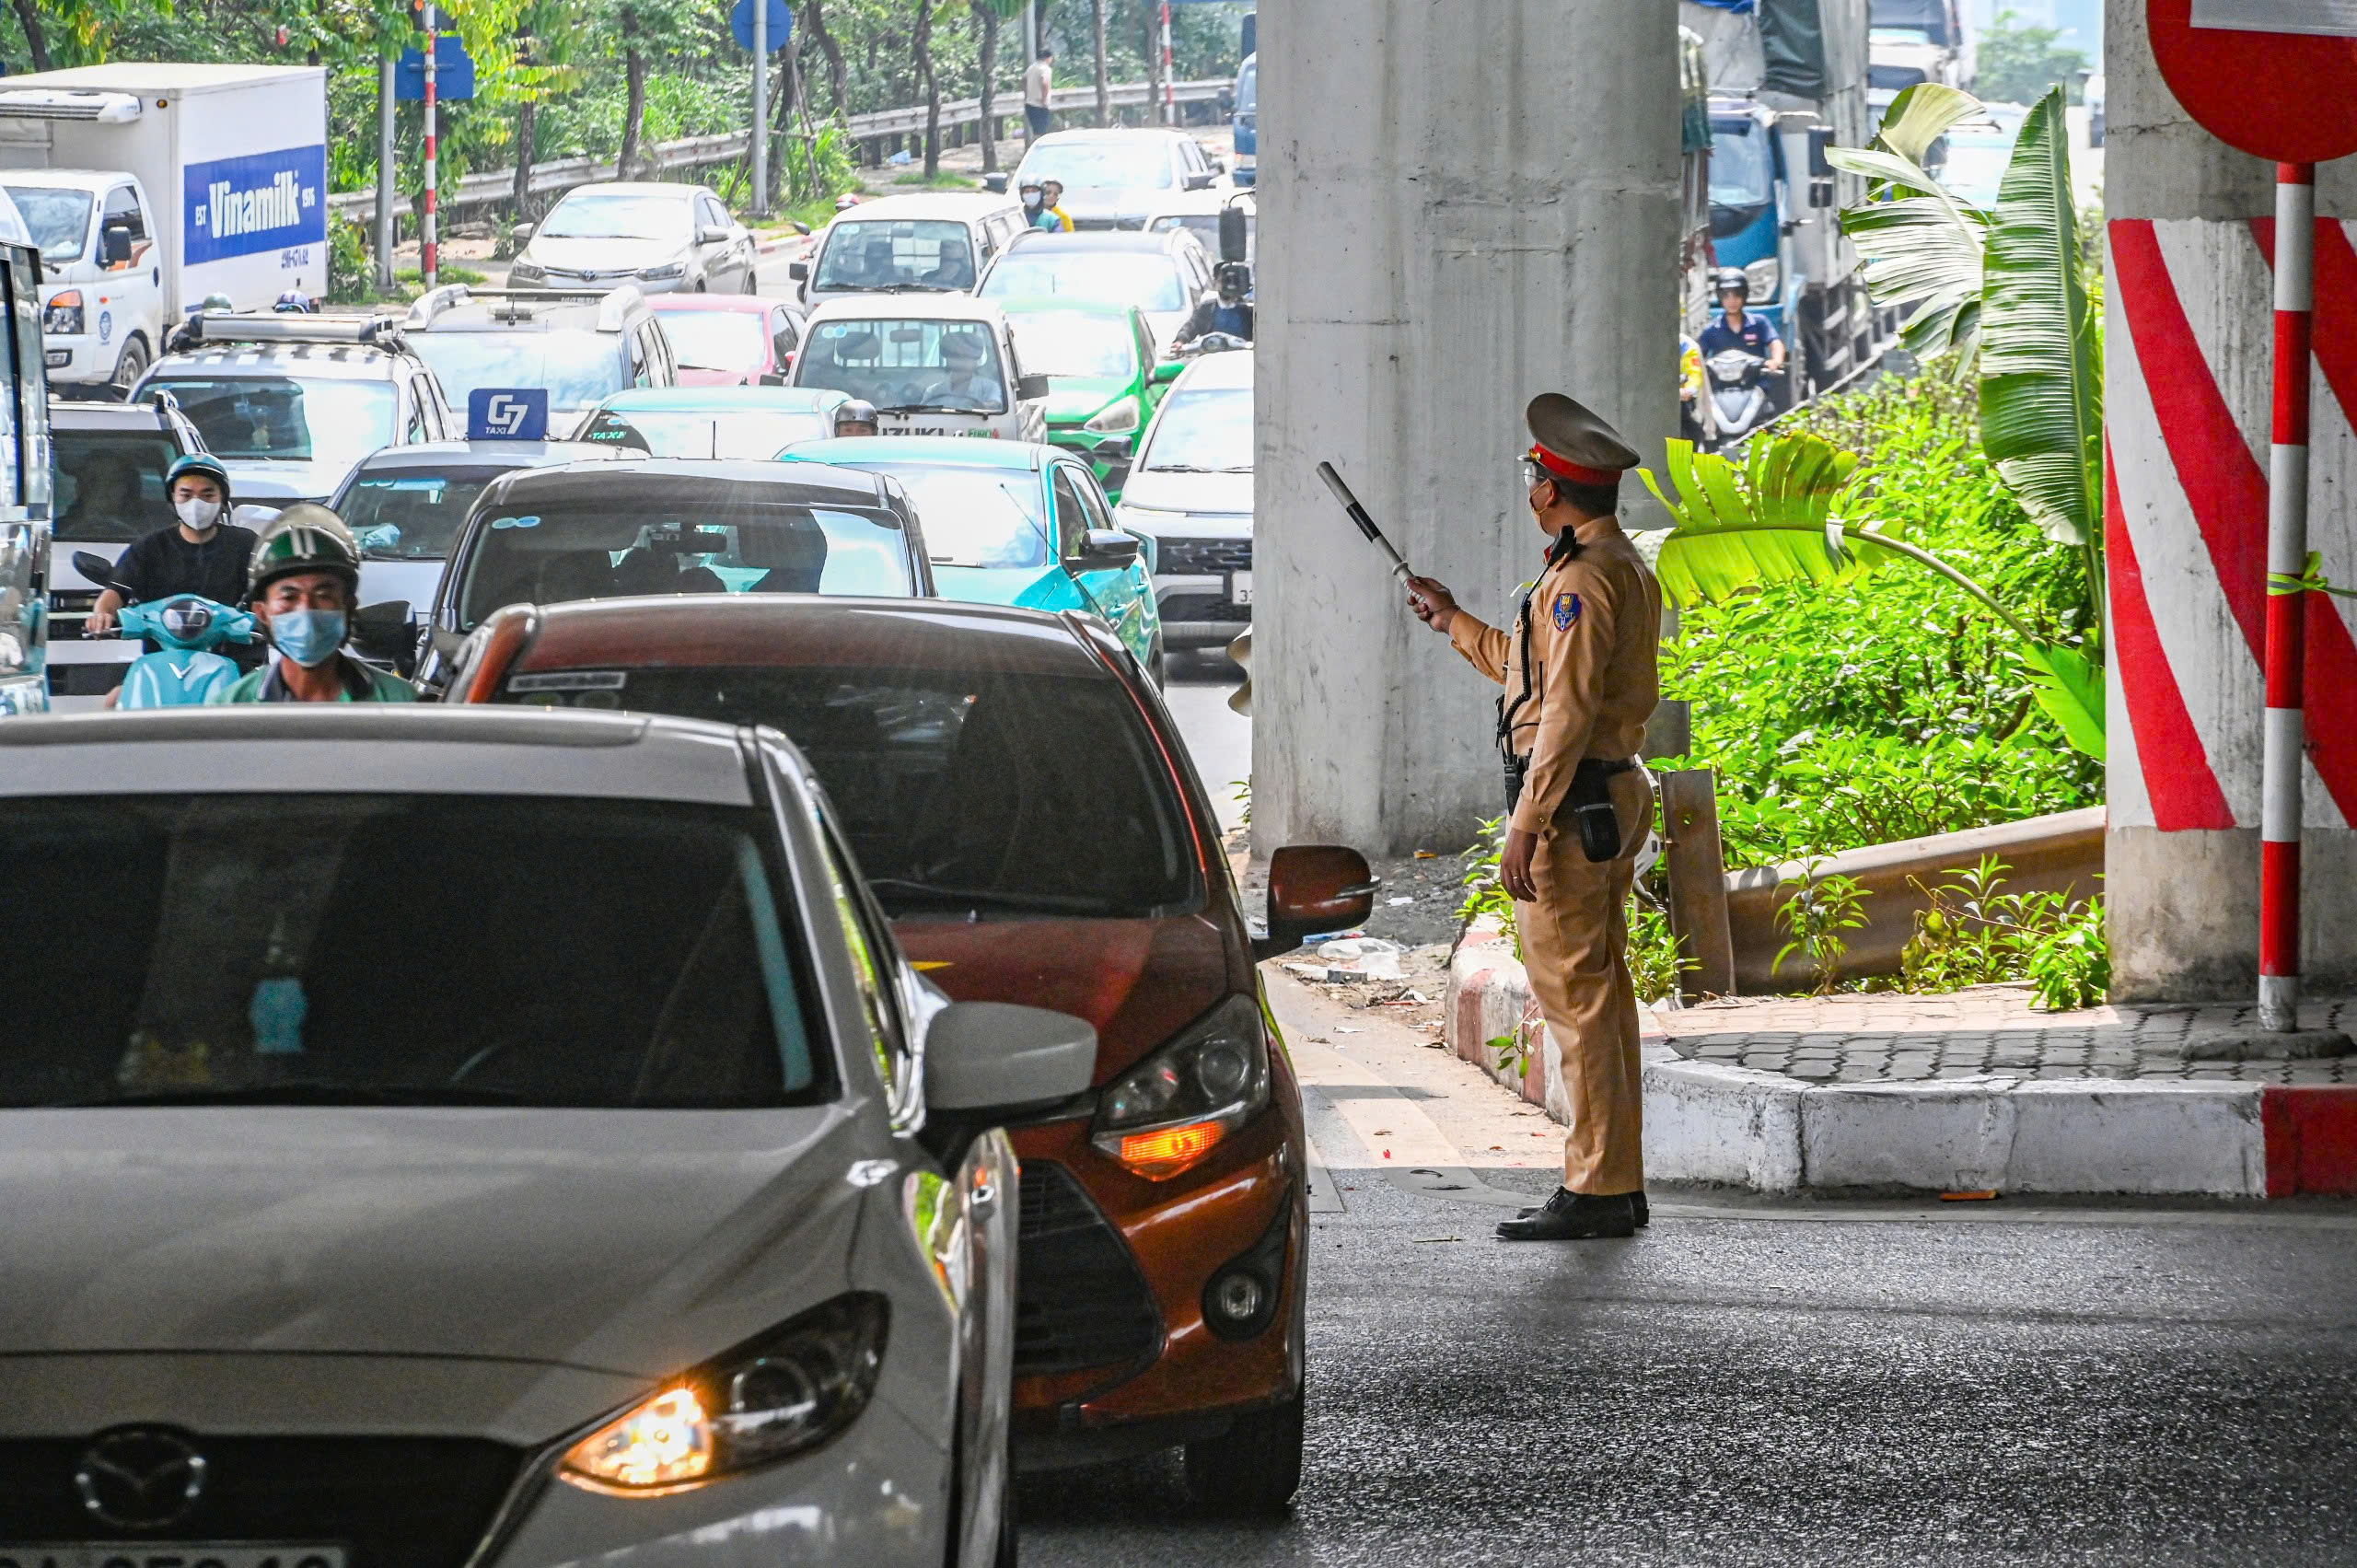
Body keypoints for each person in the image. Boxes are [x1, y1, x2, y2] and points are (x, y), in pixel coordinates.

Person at [1402, 393, 1662, 1242]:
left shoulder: (1583, 581)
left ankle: (1595, 1188)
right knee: (1602, 998)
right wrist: (1455, 621)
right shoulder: (1607, 566)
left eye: (1532, 473)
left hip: (1572, 803)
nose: (1529, 485)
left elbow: (1566, 714)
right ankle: (1612, 1180)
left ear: (1551, 490)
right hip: (1599, 793)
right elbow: (1532, 674)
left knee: (1579, 1003)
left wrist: (1524, 820)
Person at [210, 505, 417, 703]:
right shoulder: (233, 707)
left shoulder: (399, 701)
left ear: (349, 606)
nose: (306, 609)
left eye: (324, 595)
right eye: (289, 598)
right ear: (262, 613)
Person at [88, 453, 259, 664]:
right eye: (186, 495)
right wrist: (102, 615)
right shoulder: (148, 548)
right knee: (115, 698)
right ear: (172, 499)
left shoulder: (246, 544)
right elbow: (116, 590)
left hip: (236, 665)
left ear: (222, 498)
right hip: (162, 664)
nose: (196, 503)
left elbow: (271, 588)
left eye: (208, 495)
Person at [1697, 265, 1785, 374]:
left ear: (1745, 295)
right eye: (1726, 296)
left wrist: (1776, 361)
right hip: (1720, 388)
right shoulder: (1711, 329)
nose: (1732, 301)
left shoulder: (1759, 323)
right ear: (1720, 297)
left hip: (1756, 385)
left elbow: (1775, 343)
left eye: (1737, 295)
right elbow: (1697, 356)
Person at [1175, 261, 1255, 346]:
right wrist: (1180, 341)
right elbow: (1190, 327)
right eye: (1224, 280)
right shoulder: (1206, 309)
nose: (1228, 285)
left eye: (1232, 280)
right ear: (1216, 282)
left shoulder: (1249, 311)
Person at [921, 332, 1005, 411]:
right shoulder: (933, 391)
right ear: (947, 358)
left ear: (976, 359)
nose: (961, 360)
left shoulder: (989, 387)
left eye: (967, 355)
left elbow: (995, 405)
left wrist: (982, 407)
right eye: (954, 354)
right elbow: (921, 414)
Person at [1023, 47, 1055, 142]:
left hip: (1030, 103)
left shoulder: (1031, 67)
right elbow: (1045, 83)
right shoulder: (1045, 68)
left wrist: (1027, 93)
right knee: (1043, 132)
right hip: (1040, 105)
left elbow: (1023, 80)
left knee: (1036, 132)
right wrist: (1044, 99)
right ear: (1048, 58)